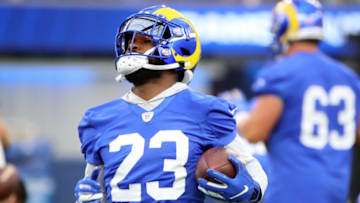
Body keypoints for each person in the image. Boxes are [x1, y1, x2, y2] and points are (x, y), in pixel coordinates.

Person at [74, 5, 267, 203]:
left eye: (145, 40)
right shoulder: (99, 119)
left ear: (180, 48)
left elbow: (255, 172)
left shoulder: (207, 110)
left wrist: (250, 192)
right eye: (131, 41)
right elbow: (93, 185)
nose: (133, 47)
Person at [237, 0, 360, 203]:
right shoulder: (347, 76)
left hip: (292, 193)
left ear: (283, 26)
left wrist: (240, 115)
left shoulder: (281, 72)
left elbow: (255, 131)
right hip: (336, 191)